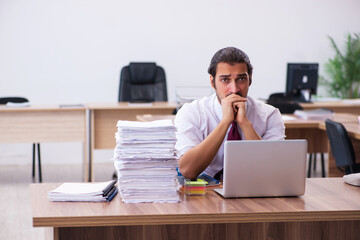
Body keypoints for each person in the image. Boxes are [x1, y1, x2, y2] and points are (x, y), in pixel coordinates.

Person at [174, 47, 285, 180]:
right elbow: (188, 170)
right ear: (212, 82)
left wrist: (245, 124)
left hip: (252, 190)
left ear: (250, 79)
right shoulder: (192, 112)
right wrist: (225, 122)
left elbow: (272, 171)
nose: (234, 89)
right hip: (205, 191)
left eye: (241, 79)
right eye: (225, 80)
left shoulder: (269, 115)